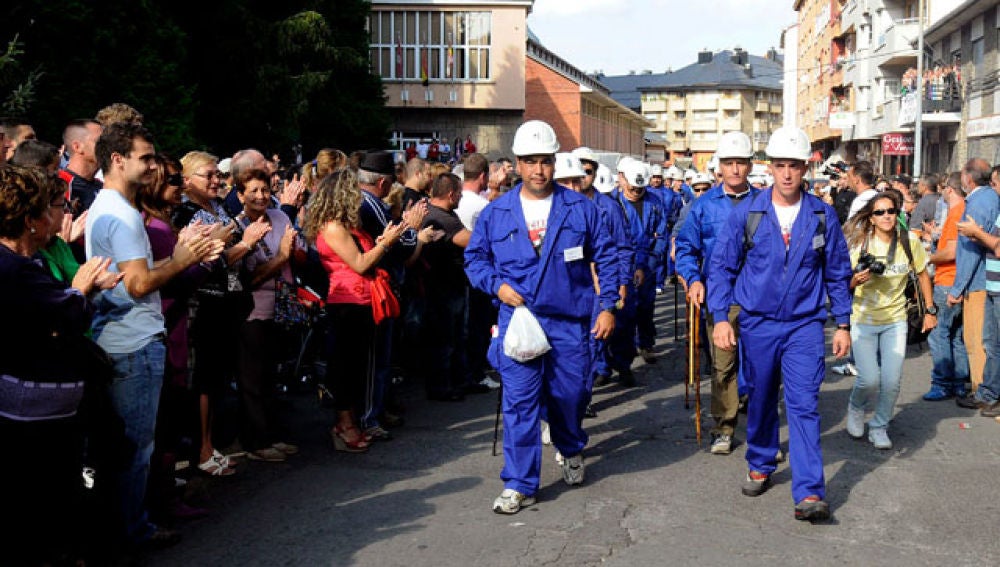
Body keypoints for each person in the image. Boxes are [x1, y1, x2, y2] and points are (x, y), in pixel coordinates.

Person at [465, 120, 620, 514]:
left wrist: (607, 308)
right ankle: (520, 483)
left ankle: (570, 447)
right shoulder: (497, 212)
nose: (538, 170)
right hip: (518, 322)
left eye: (545, 161)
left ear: (555, 162)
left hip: (569, 322)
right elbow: (475, 259)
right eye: (530, 161)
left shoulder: (580, 208)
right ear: (517, 163)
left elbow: (608, 256)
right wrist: (496, 286)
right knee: (519, 403)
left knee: (570, 396)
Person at [708, 126, 853, 521]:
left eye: (794, 166)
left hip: (805, 325)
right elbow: (720, 268)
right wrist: (722, 318)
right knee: (760, 397)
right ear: (768, 167)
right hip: (757, 324)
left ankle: (808, 492)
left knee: (804, 403)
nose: (787, 174)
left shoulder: (822, 216)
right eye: (780, 165)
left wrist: (842, 323)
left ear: (806, 168)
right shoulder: (747, 214)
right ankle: (760, 460)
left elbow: (838, 272)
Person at [86, 122, 221, 547]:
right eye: (144, 157)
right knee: (134, 447)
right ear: (117, 159)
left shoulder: (108, 206)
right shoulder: (122, 214)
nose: (152, 166)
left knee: (128, 446)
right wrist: (183, 258)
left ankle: (125, 525)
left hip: (124, 338)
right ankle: (131, 529)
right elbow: (139, 284)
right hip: (132, 342)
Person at [0, 165, 120, 565]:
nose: (63, 212)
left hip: (44, 406)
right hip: (32, 411)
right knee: (45, 499)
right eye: (55, 206)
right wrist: (81, 288)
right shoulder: (13, 268)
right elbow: (63, 316)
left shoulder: (21, 264)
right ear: (33, 220)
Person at [305, 169, 409, 452]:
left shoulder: (349, 226)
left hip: (362, 301)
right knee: (345, 368)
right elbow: (361, 263)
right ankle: (344, 424)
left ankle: (350, 422)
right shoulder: (333, 227)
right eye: (353, 192)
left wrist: (385, 240)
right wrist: (386, 243)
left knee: (356, 367)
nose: (358, 198)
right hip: (347, 302)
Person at [179, 151, 269, 476]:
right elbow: (209, 259)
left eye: (218, 174)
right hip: (202, 303)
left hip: (227, 301)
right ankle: (201, 449)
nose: (217, 180)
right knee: (203, 378)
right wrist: (245, 244)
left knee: (215, 377)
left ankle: (210, 444)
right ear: (186, 179)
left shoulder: (217, 207)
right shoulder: (186, 211)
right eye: (208, 175)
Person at [675, 132, 760, 456]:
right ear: (719, 168)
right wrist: (692, 279)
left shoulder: (765, 202)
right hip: (720, 298)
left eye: (741, 162)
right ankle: (723, 427)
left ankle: (761, 430)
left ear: (750, 165)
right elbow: (685, 248)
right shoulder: (703, 206)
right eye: (729, 163)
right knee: (723, 365)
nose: (735, 169)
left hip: (759, 297)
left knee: (760, 365)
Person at [843, 192, 936, 449]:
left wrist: (930, 310)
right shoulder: (861, 245)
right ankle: (856, 406)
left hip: (896, 320)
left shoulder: (909, 242)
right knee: (869, 378)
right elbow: (841, 284)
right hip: (863, 319)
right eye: (879, 212)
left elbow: (923, 275)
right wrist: (855, 280)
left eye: (891, 211)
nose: (886, 217)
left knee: (892, 380)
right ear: (871, 219)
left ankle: (879, 426)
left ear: (898, 214)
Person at [234, 168, 304, 462]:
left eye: (265, 190)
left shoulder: (280, 217)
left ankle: (273, 435)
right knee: (252, 378)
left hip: (282, 307)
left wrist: (294, 252)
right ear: (240, 196)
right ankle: (256, 442)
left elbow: (299, 254)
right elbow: (245, 280)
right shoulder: (237, 229)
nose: (261, 197)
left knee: (272, 375)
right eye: (253, 191)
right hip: (251, 311)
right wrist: (281, 258)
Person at [950, 158, 999, 401]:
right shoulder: (987, 199)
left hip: (979, 281)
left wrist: (957, 287)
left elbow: (971, 249)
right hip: (984, 279)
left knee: (976, 340)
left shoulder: (980, 202)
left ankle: (982, 390)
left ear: (968, 177)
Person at [614, 157, 669, 369]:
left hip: (647, 264)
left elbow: (661, 234)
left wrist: (651, 262)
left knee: (646, 308)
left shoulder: (654, 203)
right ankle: (621, 355)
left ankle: (646, 344)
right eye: (633, 188)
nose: (637, 192)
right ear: (623, 180)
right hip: (622, 266)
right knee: (623, 310)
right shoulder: (614, 203)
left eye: (640, 188)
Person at [923, 173, 969, 401]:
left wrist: (929, 258)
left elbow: (950, 252)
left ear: (949, 190)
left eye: (943, 188)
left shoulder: (955, 214)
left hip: (947, 280)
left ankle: (942, 383)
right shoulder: (965, 211)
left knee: (939, 332)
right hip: (960, 281)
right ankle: (959, 382)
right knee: (956, 335)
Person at [60, 118, 104, 215]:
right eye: (100, 142)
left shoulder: (103, 186)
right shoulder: (61, 184)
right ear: (77, 147)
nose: (107, 146)